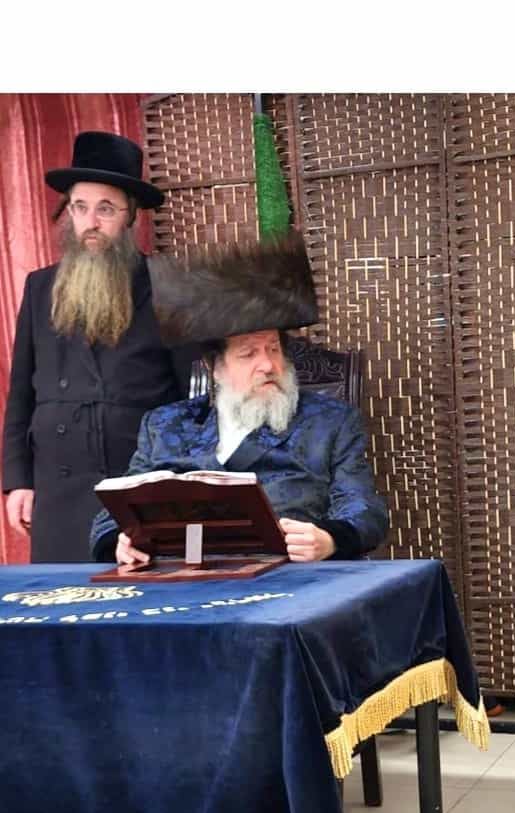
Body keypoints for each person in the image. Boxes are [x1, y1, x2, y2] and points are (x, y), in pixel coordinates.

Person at [89, 232, 389, 565]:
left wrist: (330, 539)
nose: (268, 365)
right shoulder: (164, 425)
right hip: (182, 581)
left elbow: (365, 509)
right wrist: (120, 543)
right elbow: (109, 517)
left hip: (288, 580)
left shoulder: (329, 422)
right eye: (248, 354)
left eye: (273, 349)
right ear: (215, 367)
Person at [3, 131, 196, 562]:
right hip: (58, 492)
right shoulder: (40, 287)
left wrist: (179, 486)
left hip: (138, 487)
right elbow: (21, 394)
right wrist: (18, 481)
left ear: (130, 216)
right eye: (80, 206)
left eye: (105, 209)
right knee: (63, 599)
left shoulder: (169, 286)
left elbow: (193, 400)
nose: (90, 222)